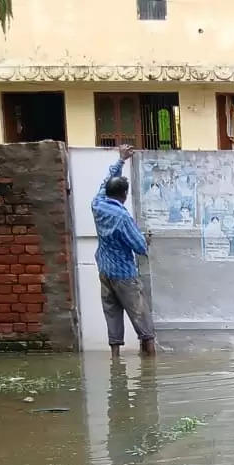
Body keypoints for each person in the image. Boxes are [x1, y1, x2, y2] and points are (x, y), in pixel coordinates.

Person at [94, 145, 156, 356]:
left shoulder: (97, 204)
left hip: (104, 270)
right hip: (123, 274)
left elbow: (105, 183)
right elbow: (138, 246)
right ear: (124, 195)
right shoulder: (122, 218)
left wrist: (121, 160)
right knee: (142, 318)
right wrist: (146, 239)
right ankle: (150, 362)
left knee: (111, 313)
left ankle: (115, 359)